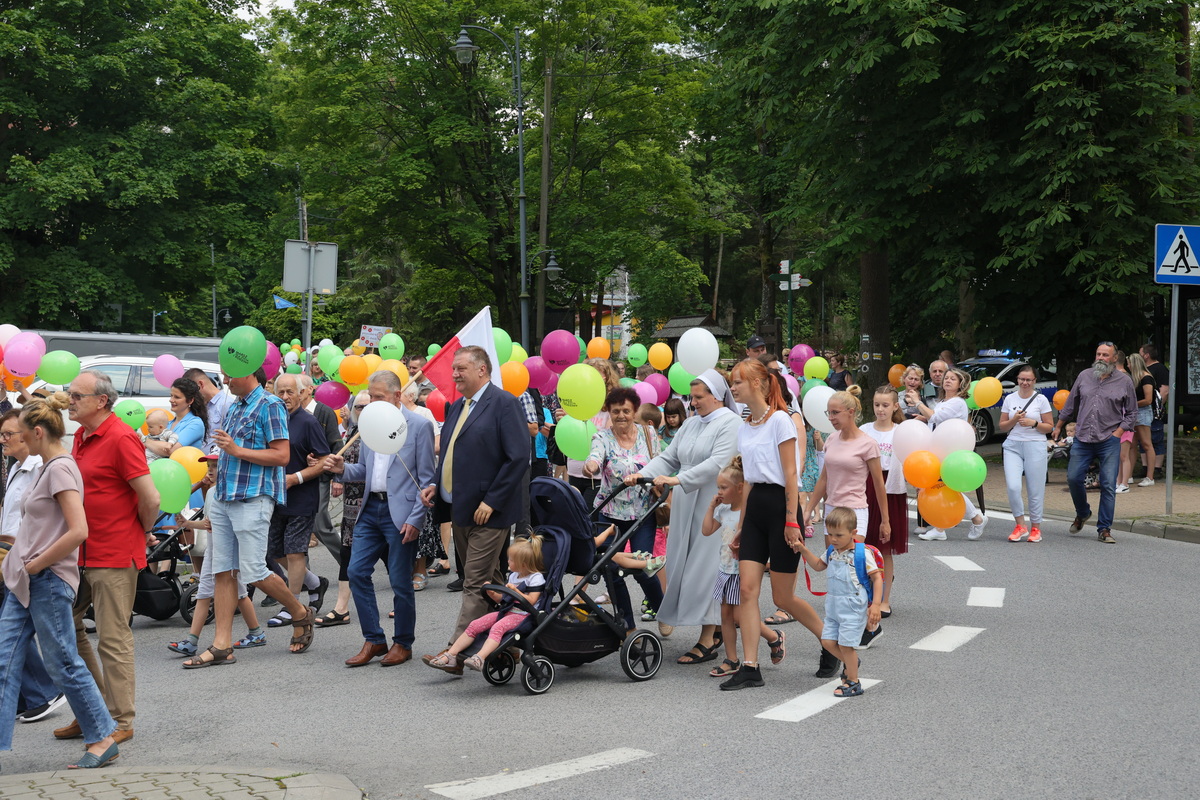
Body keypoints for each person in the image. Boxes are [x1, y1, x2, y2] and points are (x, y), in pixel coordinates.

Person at [0, 396, 120, 769]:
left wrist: (37, 564)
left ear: (37, 433)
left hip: (47, 580)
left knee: (63, 661)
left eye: (18, 434)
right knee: (4, 659)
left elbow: (78, 529)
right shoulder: (46, 468)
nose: (13, 440)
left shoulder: (59, 469)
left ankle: (102, 737)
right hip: (28, 580)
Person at [183, 367, 315, 667]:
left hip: (253, 498)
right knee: (223, 571)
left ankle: (299, 612)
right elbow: (227, 451)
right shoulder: (235, 405)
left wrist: (237, 450)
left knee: (254, 571)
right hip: (225, 496)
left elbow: (281, 456)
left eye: (229, 375)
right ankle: (221, 645)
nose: (225, 381)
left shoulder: (269, 405)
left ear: (248, 373)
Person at [56, 370, 159, 744]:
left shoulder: (120, 436)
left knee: (113, 639)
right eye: (69, 394)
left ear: (101, 400)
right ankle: (93, 710)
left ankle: (121, 721)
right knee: (65, 626)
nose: (69, 399)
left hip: (113, 552)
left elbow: (151, 497)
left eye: (76, 395)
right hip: (79, 551)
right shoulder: (82, 435)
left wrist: (142, 530)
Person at [726, 359, 836, 689]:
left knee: (783, 598)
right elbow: (747, 482)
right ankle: (749, 666)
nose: (733, 387)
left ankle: (829, 643)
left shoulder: (781, 422)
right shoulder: (745, 426)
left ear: (758, 384)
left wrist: (792, 520)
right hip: (757, 507)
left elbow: (792, 475)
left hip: (781, 508)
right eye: (732, 382)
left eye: (738, 382)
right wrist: (741, 526)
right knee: (746, 590)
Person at [419, 346, 531, 673]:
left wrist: (492, 500)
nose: (454, 374)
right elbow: (452, 452)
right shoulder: (456, 407)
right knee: (491, 584)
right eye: (454, 369)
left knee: (474, 581)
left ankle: (455, 653)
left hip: (489, 511)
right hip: (459, 508)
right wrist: (436, 485)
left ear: (482, 370)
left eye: (460, 369)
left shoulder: (504, 404)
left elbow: (518, 458)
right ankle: (509, 644)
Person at [625, 371, 741, 665]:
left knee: (706, 567)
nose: (693, 402)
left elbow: (718, 463)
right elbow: (670, 456)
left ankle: (708, 637)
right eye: (692, 397)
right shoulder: (690, 423)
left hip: (713, 500)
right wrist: (644, 473)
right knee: (683, 563)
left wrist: (678, 481)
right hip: (687, 498)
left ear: (716, 395)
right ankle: (714, 629)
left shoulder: (730, 423)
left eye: (699, 397)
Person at [325, 370, 436, 668]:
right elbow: (362, 471)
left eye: (378, 397)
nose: (372, 402)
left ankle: (403, 643)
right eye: (370, 396)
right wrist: (340, 468)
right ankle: (374, 639)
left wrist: (416, 519)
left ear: (397, 396)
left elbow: (426, 480)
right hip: (369, 509)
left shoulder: (419, 426)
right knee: (357, 571)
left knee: (400, 581)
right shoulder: (370, 423)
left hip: (400, 514)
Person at [0, 409, 66, 724]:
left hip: (25, 557)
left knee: (14, 632)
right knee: (11, 631)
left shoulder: (43, 468)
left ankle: (43, 692)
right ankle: (30, 695)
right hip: (8, 554)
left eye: (9, 434)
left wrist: (29, 558)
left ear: (30, 434)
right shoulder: (16, 468)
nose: (4, 439)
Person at [582, 387, 663, 634]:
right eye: (616, 411)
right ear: (609, 412)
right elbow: (595, 457)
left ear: (634, 411)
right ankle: (627, 625)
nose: (621, 416)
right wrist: (591, 466)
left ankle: (662, 608)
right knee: (611, 571)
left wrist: (647, 478)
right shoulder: (602, 437)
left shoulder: (648, 434)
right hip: (609, 514)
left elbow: (661, 465)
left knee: (643, 569)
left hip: (642, 514)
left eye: (626, 411)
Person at [166, 454, 265, 655]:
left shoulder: (220, 493)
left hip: (222, 550)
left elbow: (209, 525)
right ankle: (256, 633)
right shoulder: (212, 492)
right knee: (238, 593)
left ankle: (192, 641)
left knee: (208, 593)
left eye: (215, 466)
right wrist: (187, 524)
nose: (210, 470)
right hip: (217, 548)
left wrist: (190, 524)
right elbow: (209, 524)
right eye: (209, 466)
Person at [701, 457, 782, 679]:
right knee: (726, 616)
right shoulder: (723, 511)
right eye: (718, 487)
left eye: (723, 487)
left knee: (739, 617)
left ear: (740, 488)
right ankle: (731, 660)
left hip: (742, 571)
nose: (719, 491)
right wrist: (711, 507)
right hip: (725, 569)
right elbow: (706, 530)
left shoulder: (747, 514)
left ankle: (773, 637)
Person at [1052, 342, 1138, 544]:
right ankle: (1083, 513)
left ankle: (1104, 529)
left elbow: (1132, 413)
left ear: (1114, 358)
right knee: (1073, 478)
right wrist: (1058, 426)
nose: (1100, 358)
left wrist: (1118, 433)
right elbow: (1070, 403)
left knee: (1108, 484)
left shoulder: (1124, 381)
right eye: (1098, 354)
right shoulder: (1084, 376)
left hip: (1109, 439)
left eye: (1105, 355)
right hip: (1083, 437)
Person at [794, 507, 882, 699]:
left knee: (845, 645)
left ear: (853, 533)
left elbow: (877, 578)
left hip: (853, 607)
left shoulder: (861, 554)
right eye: (830, 534)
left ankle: (853, 681)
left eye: (839, 535)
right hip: (833, 606)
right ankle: (852, 664)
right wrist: (803, 550)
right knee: (827, 642)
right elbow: (818, 565)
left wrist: (875, 605)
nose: (833, 539)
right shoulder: (832, 551)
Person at [264, 374, 331, 624]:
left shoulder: (308, 422)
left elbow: (324, 460)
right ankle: (315, 583)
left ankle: (292, 604)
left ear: (301, 393)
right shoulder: (271, 420)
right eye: (280, 392)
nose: (284, 397)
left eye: (290, 392)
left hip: (302, 496)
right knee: (274, 551)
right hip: (273, 495)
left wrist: (297, 478)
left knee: (294, 552)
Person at [425, 536, 545, 674]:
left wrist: (515, 591)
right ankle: (451, 655)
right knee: (475, 624)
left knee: (497, 627)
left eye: (511, 560)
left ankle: (480, 658)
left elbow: (531, 601)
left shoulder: (535, 578)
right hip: (509, 611)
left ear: (522, 564)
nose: (508, 561)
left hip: (524, 616)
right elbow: (504, 599)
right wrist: (494, 594)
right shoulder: (514, 576)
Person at [907, 367, 988, 541]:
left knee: (945, 486)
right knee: (944, 487)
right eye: (946, 378)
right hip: (940, 447)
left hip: (950, 449)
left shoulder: (957, 402)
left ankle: (970, 520)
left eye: (953, 379)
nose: (948, 380)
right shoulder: (944, 401)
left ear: (961, 385)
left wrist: (918, 402)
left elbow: (936, 417)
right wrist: (924, 417)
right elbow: (936, 418)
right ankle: (945, 526)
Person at [319, 389, 369, 627]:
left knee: (389, 554)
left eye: (368, 406)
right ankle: (341, 608)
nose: (363, 411)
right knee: (347, 552)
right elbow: (345, 465)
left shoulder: (382, 432)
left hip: (376, 502)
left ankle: (400, 601)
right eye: (359, 407)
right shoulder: (352, 431)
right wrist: (334, 475)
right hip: (351, 504)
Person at [862, 385, 908, 621]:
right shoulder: (864, 430)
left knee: (884, 547)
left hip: (891, 488)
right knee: (862, 544)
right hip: (866, 486)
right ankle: (864, 596)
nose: (880, 409)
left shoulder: (902, 431)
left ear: (895, 406)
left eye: (885, 405)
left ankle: (884, 599)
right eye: (877, 405)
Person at [999, 366, 1053, 542]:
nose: (1024, 382)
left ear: (1034, 381)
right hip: (1013, 445)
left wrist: (1033, 423)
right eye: (1022, 379)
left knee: (1035, 489)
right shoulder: (1009, 398)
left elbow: (1049, 427)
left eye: (1028, 380)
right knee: (1013, 486)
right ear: (1017, 380)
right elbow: (1003, 426)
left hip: (1035, 445)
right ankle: (1020, 525)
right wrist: (1014, 419)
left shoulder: (1041, 399)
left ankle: (1036, 528)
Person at [1126, 353, 1158, 488]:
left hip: (1143, 412)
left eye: (1129, 363)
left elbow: (1148, 400)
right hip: (1135, 413)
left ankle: (1150, 477)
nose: (1128, 365)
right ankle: (1128, 475)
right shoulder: (1135, 378)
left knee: (1146, 444)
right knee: (1132, 444)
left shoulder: (1146, 378)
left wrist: (1132, 404)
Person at [1139, 343, 1169, 480]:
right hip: (1144, 410)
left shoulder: (1160, 369)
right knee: (1143, 439)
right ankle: (1145, 467)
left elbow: (1165, 390)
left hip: (1154, 410)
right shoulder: (1143, 370)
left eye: (1140, 353)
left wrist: (1157, 407)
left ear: (1146, 355)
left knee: (1156, 439)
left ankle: (1157, 468)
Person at [184, 368, 229, 453]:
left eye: (193, 393)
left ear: (200, 384)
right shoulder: (202, 406)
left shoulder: (225, 404)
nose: (192, 397)